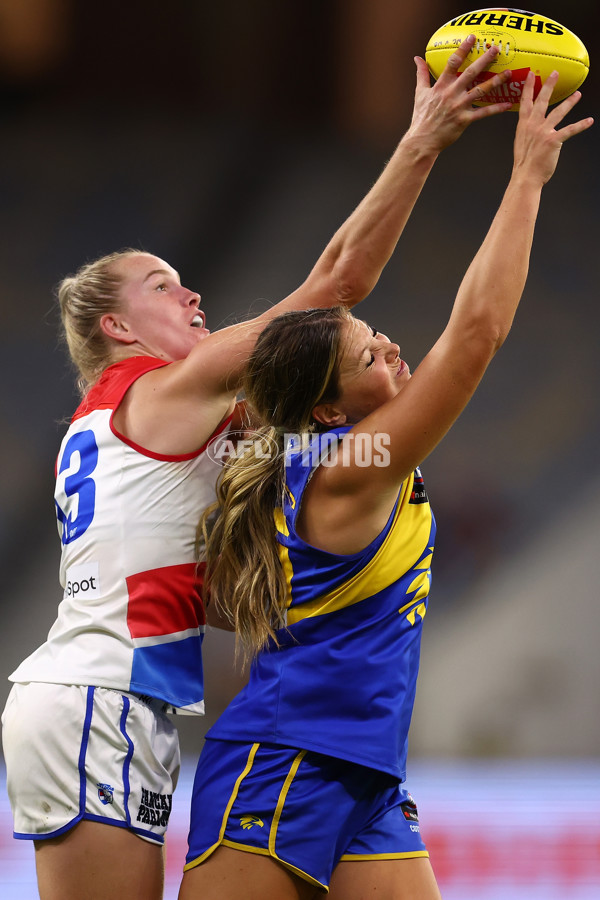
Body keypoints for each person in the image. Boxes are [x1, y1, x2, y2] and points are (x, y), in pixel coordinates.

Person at [0, 36, 517, 900]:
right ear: (119, 331)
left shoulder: (140, 423)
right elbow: (338, 281)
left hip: (99, 697)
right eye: (163, 287)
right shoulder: (165, 391)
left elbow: (295, 410)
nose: (193, 294)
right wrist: (422, 139)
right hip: (103, 698)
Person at [179, 72, 593, 900]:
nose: (394, 350)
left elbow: (342, 272)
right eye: (371, 356)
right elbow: (474, 336)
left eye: (378, 335)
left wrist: (423, 143)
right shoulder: (347, 467)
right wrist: (526, 178)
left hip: (364, 772)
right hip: (284, 763)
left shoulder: (336, 456)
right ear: (327, 406)